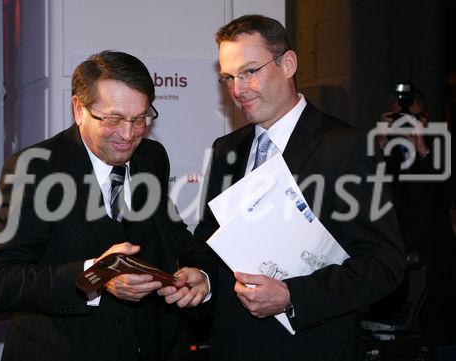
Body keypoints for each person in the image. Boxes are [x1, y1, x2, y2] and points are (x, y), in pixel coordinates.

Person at [0, 50, 214, 361]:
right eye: (113, 119)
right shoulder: (34, 169)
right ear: (79, 109)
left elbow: (174, 238)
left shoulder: (152, 158)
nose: (128, 135)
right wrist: (94, 276)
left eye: (140, 118)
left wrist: (200, 275)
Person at [193, 15, 405, 361]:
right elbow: (210, 238)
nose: (237, 89)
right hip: (231, 345)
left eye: (250, 71)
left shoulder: (347, 148)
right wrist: (200, 276)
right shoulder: (226, 150)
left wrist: (293, 295)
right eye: (228, 78)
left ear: (288, 64)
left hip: (311, 347)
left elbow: (384, 265)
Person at [375, 84, 456, 360]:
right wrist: (383, 145)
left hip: (436, 262)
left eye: (414, 118)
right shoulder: (382, 152)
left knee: (441, 333)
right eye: (399, 118)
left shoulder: (441, 147)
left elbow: (451, 190)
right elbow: (362, 192)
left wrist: (423, 148)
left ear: (426, 119)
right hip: (394, 262)